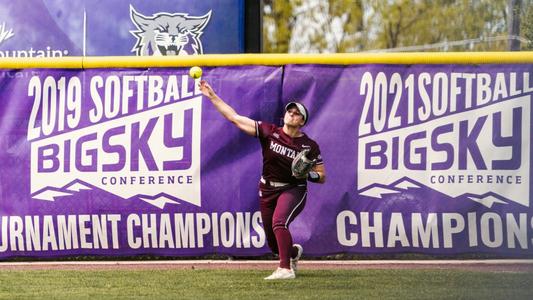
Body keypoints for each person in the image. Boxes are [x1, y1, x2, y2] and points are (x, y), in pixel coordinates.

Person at [199, 80, 326, 280]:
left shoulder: (309, 145)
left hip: (293, 189)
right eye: (289, 112)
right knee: (273, 244)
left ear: (302, 121)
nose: (291, 114)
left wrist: (309, 174)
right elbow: (235, 118)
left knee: (279, 222)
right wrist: (213, 96)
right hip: (267, 189)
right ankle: (292, 253)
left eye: (296, 113)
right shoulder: (270, 132)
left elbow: (321, 175)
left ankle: (285, 269)